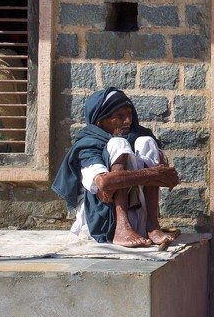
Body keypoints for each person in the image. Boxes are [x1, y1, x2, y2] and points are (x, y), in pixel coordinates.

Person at [52, 87, 180, 247]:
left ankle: (152, 226)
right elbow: (104, 183)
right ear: (101, 120)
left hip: (138, 220)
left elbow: (160, 170)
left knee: (146, 141)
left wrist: (161, 173)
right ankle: (122, 227)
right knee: (118, 143)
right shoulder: (88, 146)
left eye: (129, 114)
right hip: (103, 221)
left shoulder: (137, 136)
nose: (128, 121)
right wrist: (155, 174)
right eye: (120, 116)